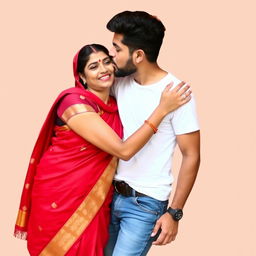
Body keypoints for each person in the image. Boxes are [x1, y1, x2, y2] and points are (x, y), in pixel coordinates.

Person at [14, 44, 191, 256]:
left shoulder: (117, 103)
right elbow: (123, 151)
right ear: (82, 76)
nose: (103, 69)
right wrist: (162, 110)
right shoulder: (74, 103)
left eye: (107, 61)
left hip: (97, 198)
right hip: (60, 193)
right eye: (93, 66)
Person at [104, 11, 201, 256]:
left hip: (144, 203)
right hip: (107, 195)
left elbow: (191, 155)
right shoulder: (118, 83)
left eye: (117, 49)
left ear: (138, 55)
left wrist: (175, 212)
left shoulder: (177, 93)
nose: (111, 55)